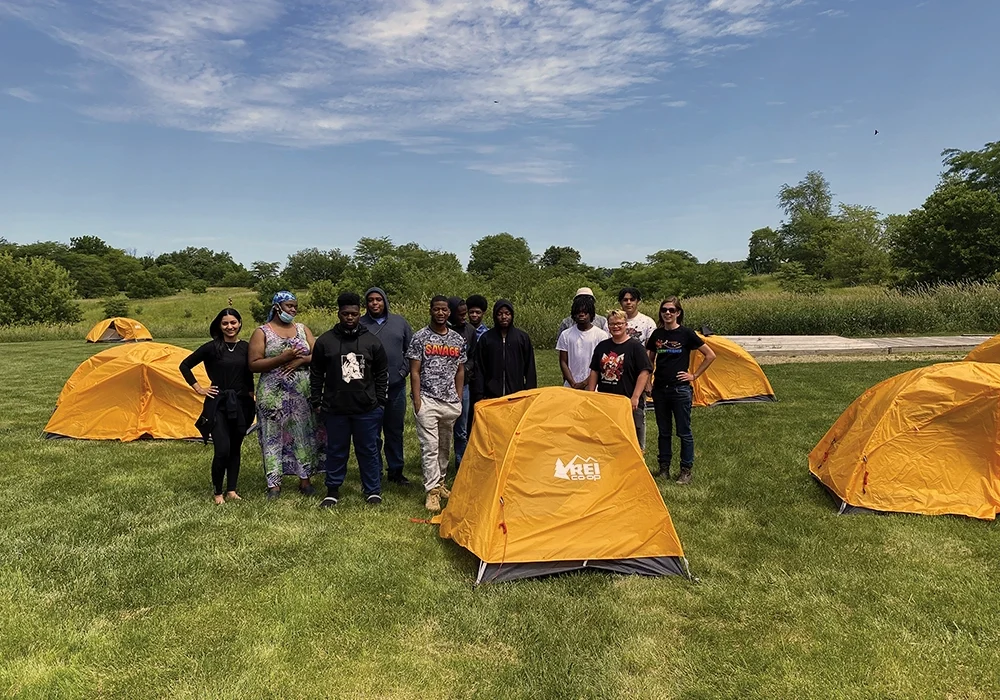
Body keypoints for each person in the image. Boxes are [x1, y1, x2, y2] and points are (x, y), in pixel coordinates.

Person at [311, 292, 389, 508]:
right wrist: (317, 400)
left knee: (369, 449)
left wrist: (380, 401)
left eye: (354, 314)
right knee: (336, 449)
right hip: (335, 408)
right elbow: (316, 372)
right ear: (339, 314)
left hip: (367, 408)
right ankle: (333, 490)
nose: (350, 317)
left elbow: (382, 372)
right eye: (345, 313)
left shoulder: (371, 341)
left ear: (359, 313)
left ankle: (372, 490)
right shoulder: (326, 341)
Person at [248, 291, 322, 500]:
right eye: (289, 306)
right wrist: (284, 357)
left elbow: (318, 354)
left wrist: (300, 361)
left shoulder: (302, 329)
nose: (293, 310)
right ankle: (274, 484)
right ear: (277, 307)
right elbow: (253, 364)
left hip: (301, 393)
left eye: (295, 306)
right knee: (272, 436)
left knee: (303, 434)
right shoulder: (262, 332)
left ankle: (305, 480)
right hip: (272, 393)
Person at [180, 307, 256, 504]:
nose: (230, 326)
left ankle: (232, 490)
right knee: (222, 448)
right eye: (225, 323)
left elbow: (249, 376)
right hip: (218, 403)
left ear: (240, 323)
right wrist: (199, 388)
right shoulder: (211, 347)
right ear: (219, 325)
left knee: (236, 448)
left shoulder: (247, 348)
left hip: (242, 404)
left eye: (233, 322)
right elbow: (185, 365)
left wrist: (252, 396)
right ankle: (217, 493)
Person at [645, 296, 717, 485]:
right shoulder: (657, 335)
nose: (667, 313)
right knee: (664, 431)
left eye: (671, 310)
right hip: (660, 389)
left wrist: (694, 375)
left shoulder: (686, 334)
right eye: (664, 310)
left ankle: (686, 470)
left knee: (684, 432)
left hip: (680, 390)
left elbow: (710, 355)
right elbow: (648, 360)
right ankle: (664, 469)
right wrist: (647, 383)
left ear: (678, 313)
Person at [406, 296, 466, 513]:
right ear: (431, 311)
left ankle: (440, 483)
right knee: (429, 447)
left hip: (450, 402)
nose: (440, 313)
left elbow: (460, 370)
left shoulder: (457, 340)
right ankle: (431, 492)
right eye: (436, 309)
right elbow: (414, 371)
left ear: (449, 313)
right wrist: (418, 400)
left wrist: (459, 398)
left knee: (444, 446)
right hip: (428, 400)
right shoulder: (420, 337)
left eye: (444, 310)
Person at [359, 287, 414, 486]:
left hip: (396, 386)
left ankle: (396, 470)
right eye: (371, 300)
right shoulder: (360, 324)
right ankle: (375, 471)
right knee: (372, 432)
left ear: (385, 301)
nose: (375, 303)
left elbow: (412, 351)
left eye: (378, 300)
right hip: (369, 389)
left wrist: (402, 372)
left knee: (394, 430)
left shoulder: (400, 323)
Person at [586, 310, 652, 447]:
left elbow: (644, 372)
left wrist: (635, 396)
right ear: (608, 326)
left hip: (628, 401)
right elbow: (595, 371)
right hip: (607, 400)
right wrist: (591, 394)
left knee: (632, 436)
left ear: (626, 325)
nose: (616, 327)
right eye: (612, 324)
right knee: (609, 437)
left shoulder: (635, 347)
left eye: (619, 323)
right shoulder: (602, 346)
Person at [472, 299, 537, 403]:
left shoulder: (521, 338)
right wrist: (479, 394)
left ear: (512, 315)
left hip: (517, 394)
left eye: (507, 313)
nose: (504, 317)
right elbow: (479, 367)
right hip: (491, 395)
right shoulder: (487, 338)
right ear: (495, 316)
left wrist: (530, 391)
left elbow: (530, 367)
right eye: (500, 314)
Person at [448, 297, 477, 468]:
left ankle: (461, 463)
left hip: (463, 385)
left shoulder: (470, 331)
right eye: (460, 314)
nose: (464, 317)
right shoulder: (443, 330)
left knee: (461, 428)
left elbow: (473, 357)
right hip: (442, 385)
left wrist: (464, 370)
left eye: (465, 314)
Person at [556, 294, 610, 389]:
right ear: (573, 314)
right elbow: (563, 361)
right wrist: (572, 383)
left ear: (591, 314)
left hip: (594, 385)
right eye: (578, 312)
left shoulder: (601, 335)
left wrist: (585, 383)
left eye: (585, 312)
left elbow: (602, 363)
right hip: (571, 385)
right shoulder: (566, 334)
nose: (581, 314)